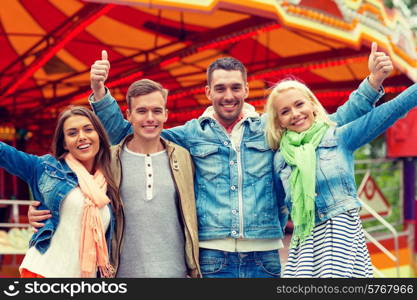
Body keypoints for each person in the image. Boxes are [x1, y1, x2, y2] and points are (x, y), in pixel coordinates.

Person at [61, 43, 388, 278]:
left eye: (235, 87)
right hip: (212, 257)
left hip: (265, 256)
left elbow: (331, 125)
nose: (228, 95)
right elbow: (126, 131)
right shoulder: (190, 134)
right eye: (220, 88)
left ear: (246, 89)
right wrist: (100, 92)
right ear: (208, 92)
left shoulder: (271, 130)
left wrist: (372, 84)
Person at [29, 55, 201, 277]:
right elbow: (71, 189)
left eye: (157, 111)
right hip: (119, 274)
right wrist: (42, 211)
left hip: (177, 274)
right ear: (128, 115)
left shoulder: (185, 158)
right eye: (141, 111)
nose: (150, 118)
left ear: (166, 114)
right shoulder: (107, 160)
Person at [263, 63, 417, 278]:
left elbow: (392, 109)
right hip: (304, 238)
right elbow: (280, 207)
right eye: (285, 111)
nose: (295, 114)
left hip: (339, 232)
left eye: (299, 104)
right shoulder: (281, 158)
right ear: (278, 121)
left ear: (313, 106)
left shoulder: (339, 137)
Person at [0, 106, 118, 278]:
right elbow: (4, 153)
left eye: (88, 129)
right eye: (72, 133)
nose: (82, 137)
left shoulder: (112, 179)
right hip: (44, 272)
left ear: (99, 135)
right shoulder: (44, 168)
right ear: (64, 143)